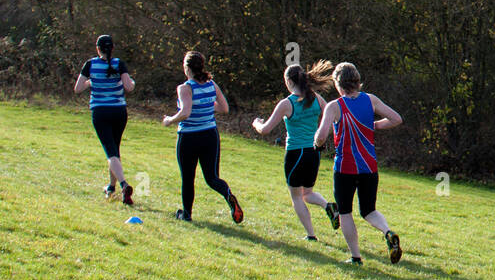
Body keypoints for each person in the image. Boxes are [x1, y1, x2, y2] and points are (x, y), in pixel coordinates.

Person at [312, 62, 402, 265]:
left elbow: (322, 136)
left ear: (338, 84)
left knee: (345, 212)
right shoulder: (371, 100)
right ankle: (387, 232)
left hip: (345, 168)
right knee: (369, 210)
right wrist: (374, 125)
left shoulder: (335, 106)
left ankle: (355, 257)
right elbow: (396, 119)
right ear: (358, 81)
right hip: (369, 167)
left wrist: (316, 142)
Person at [252, 61, 337, 241]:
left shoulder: (287, 103)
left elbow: (265, 129)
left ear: (289, 82)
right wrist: (321, 136)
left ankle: (311, 235)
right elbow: (331, 116)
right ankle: (328, 206)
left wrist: (256, 124)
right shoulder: (316, 98)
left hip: (295, 153)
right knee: (308, 193)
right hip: (314, 152)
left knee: (297, 196)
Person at [161, 50, 243, 224]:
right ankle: (229, 196)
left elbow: (185, 112)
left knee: (188, 178)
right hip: (210, 136)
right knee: (212, 178)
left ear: (186, 68)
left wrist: (169, 120)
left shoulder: (185, 88)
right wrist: (206, 105)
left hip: (189, 138)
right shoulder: (211, 84)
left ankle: (187, 215)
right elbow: (224, 108)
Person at [73, 34, 136, 205]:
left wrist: (90, 83)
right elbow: (129, 87)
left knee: (110, 151)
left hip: (100, 112)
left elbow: (78, 89)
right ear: (112, 48)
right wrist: (132, 82)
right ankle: (111, 187)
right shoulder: (119, 64)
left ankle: (123, 184)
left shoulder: (90, 64)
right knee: (115, 149)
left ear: (97, 48)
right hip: (119, 112)